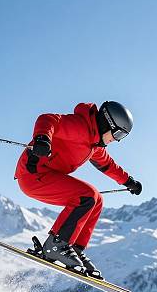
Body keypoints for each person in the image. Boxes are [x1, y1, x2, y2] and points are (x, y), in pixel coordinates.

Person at [14, 101, 142, 279]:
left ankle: (73, 247)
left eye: (122, 136)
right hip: (33, 174)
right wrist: (42, 138)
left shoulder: (94, 144)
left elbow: (107, 165)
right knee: (86, 196)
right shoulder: (80, 127)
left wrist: (128, 181)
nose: (117, 140)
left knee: (96, 199)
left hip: (48, 176)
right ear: (108, 123)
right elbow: (48, 119)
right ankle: (56, 245)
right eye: (118, 133)